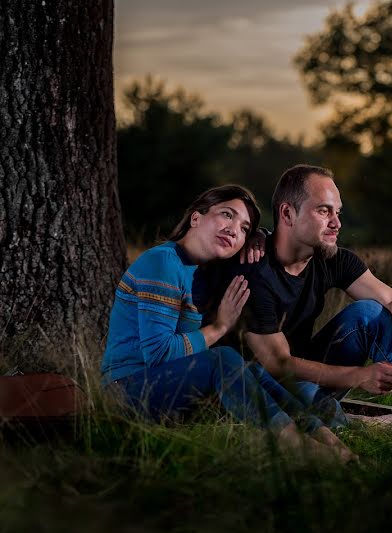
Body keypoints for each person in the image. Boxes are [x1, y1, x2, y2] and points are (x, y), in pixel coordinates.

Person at [100, 184, 354, 461]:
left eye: (244, 228)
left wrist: (260, 235)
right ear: (196, 218)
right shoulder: (163, 262)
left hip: (169, 388)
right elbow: (158, 354)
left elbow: (271, 239)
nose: (235, 229)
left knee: (251, 371)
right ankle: (294, 444)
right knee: (222, 360)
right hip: (125, 392)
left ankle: (323, 436)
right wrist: (219, 327)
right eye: (227, 215)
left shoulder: (204, 270)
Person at [226, 165, 392, 443]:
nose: (336, 222)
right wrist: (359, 376)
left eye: (337, 212)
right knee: (301, 398)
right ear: (287, 214)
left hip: (308, 375)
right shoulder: (254, 269)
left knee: (370, 313)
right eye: (323, 211)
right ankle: (361, 423)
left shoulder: (333, 259)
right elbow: (277, 363)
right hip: (257, 385)